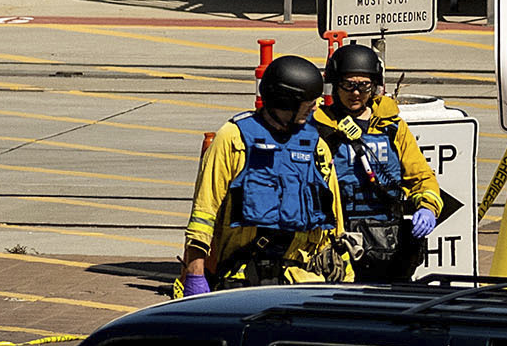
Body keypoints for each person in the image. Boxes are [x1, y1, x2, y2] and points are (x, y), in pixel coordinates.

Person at [183, 50, 341, 292]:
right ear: (286, 101)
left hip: (302, 282)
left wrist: (344, 274)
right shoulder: (233, 139)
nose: (315, 107)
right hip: (241, 280)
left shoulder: (316, 147)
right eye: (308, 102)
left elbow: (334, 223)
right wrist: (195, 275)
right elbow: (204, 214)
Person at [314, 37, 450, 282]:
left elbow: (421, 177)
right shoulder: (319, 127)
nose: (356, 93)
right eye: (348, 85)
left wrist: (428, 207)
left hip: (388, 241)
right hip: (338, 241)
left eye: (364, 86)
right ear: (335, 85)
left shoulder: (392, 126)